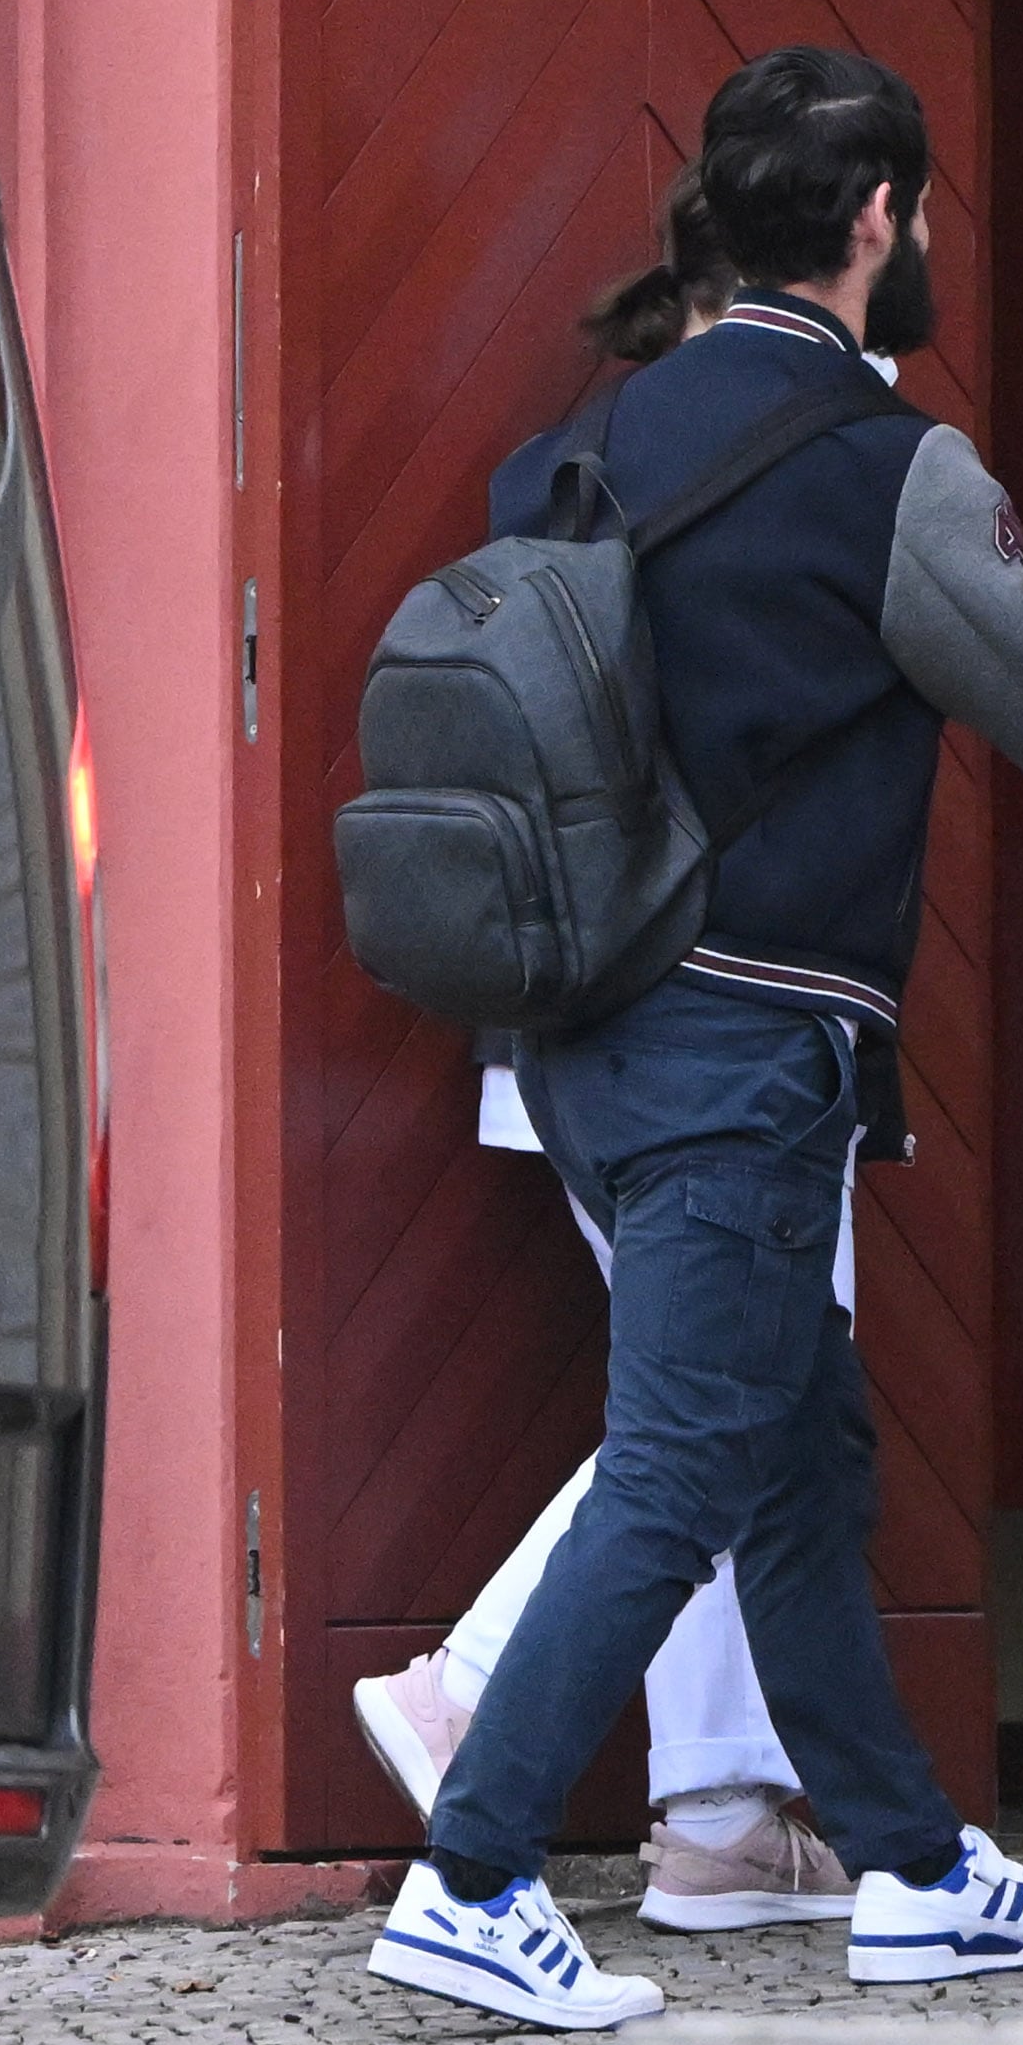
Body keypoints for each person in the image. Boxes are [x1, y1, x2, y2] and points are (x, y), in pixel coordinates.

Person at [371, 47, 1023, 2031]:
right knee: (676, 1467)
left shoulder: (589, 444)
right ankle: (470, 1873)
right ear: (880, 219)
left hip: (585, 1030)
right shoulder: (879, 462)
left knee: (797, 1454)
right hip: (745, 1042)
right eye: (920, 217)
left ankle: (910, 1865)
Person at [352, 171, 867, 1933]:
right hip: (719, 1018)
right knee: (716, 1398)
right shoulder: (780, 475)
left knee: (750, 1390)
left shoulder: (557, 473)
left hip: (561, 1008)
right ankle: (490, 1713)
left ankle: (736, 1808)